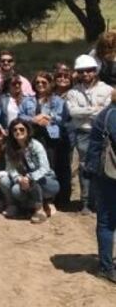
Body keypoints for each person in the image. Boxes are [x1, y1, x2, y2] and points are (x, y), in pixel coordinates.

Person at [66, 54, 114, 215]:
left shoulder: (107, 89)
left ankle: (101, 201)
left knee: (104, 167)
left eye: (89, 71)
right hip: (83, 133)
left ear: (95, 71)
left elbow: (107, 112)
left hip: (103, 134)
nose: (85, 74)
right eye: (81, 71)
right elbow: (72, 112)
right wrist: (93, 109)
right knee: (85, 167)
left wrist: (86, 112)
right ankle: (86, 201)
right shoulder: (73, 92)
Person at [19, 71, 71, 207]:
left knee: (50, 167)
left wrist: (48, 117)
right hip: (32, 137)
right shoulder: (27, 100)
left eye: (44, 82)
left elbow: (63, 118)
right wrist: (33, 119)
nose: (40, 85)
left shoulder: (57, 100)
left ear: (50, 84)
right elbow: (20, 116)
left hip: (51, 138)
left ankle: (51, 199)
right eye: (37, 82)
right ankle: (36, 196)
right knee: (33, 166)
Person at [83, 90, 116, 284]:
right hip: (108, 175)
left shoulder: (107, 113)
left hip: (104, 173)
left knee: (107, 220)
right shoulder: (112, 114)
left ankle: (106, 264)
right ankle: (105, 267)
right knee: (107, 221)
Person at [2, 119, 59, 223]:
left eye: (21, 129)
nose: (18, 132)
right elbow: (10, 168)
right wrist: (19, 178)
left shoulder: (36, 145)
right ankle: (20, 207)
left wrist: (29, 177)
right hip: (23, 182)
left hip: (46, 182)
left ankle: (40, 209)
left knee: (32, 181)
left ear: (27, 131)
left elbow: (45, 168)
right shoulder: (10, 149)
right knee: (10, 185)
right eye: (15, 130)